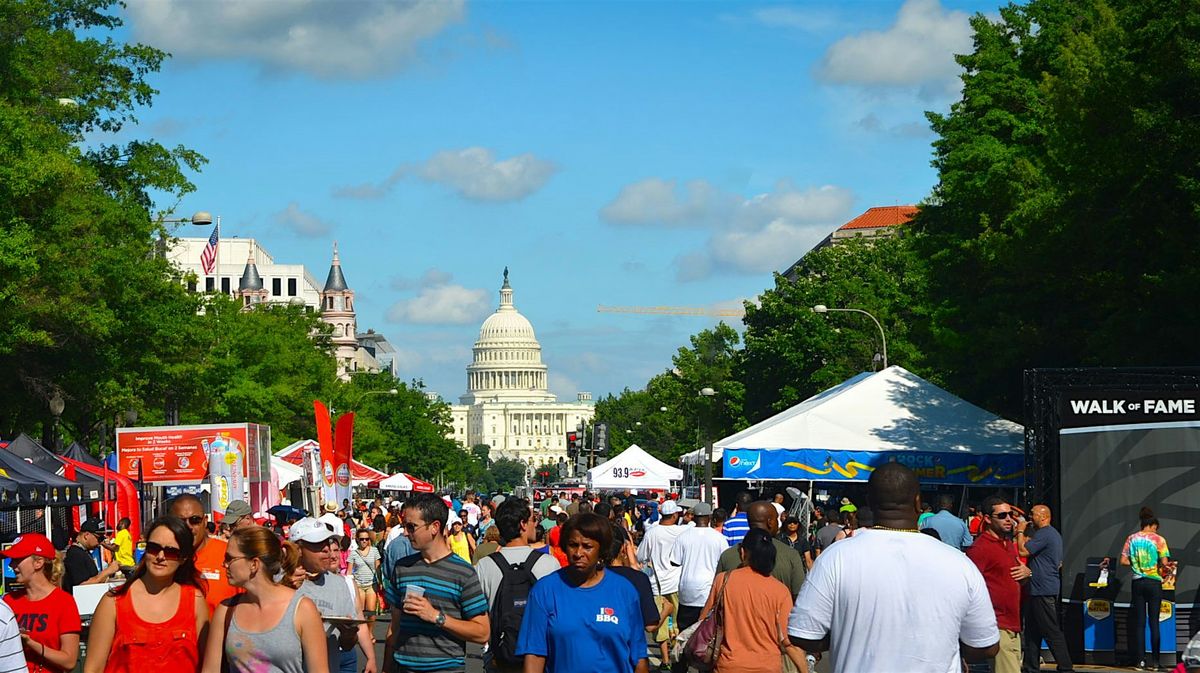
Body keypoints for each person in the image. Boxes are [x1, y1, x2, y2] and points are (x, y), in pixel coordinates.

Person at [788, 463, 999, 673]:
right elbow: (986, 646)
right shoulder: (959, 563)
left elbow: (802, 634)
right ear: (918, 502)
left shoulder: (835, 557)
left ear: (869, 502)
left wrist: (844, 635)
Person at [515, 513, 649, 673]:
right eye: (573, 545)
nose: (578, 553)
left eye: (587, 546)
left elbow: (639, 657)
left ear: (601, 549)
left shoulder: (624, 591)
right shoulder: (545, 590)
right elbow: (534, 655)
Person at [83, 516, 209, 673]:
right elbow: (93, 668)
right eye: (154, 548)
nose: (160, 557)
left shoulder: (195, 601)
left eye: (171, 551)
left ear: (183, 558)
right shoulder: (113, 602)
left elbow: (208, 665)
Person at [200, 526, 330, 673]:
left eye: (230, 558)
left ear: (254, 564)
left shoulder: (302, 609)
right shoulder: (225, 611)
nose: (224, 564)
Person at [383, 493, 489, 673]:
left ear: (434, 527)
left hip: (445, 669)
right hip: (402, 667)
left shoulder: (463, 573)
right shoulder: (403, 568)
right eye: (404, 526)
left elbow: (482, 632)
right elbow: (394, 626)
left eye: (411, 527)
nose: (405, 532)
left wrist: (436, 617)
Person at [700, 529, 808, 673]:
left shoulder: (723, 581)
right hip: (768, 666)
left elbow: (704, 619)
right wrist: (804, 669)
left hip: (729, 665)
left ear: (743, 553)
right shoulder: (780, 591)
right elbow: (787, 641)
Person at [474, 497, 560, 673]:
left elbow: (476, 619)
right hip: (541, 659)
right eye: (532, 520)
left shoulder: (484, 566)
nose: (535, 524)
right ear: (522, 524)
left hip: (500, 659)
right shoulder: (549, 564)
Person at [288, 517, 376, 673]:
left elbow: (347, 644)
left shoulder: (339, 585)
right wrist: (284, 587)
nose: (326, 550)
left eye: (327, 543)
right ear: (297, 549)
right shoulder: (277, 581)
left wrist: (349, 636)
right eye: (317, 544)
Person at [967, 496, 1031, 673]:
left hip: (1013, 625)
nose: (1009, 519)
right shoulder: (980, 548)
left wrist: (1027, 573)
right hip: (997, 625)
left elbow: (1016, 577)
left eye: (1010, 514)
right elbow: (967, 587)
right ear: (987, 519)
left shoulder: (1007, 543)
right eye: (1002, 515)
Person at [2, 533, 81, 673]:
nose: (12, 565)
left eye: (17, 559)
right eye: (12, 560)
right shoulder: (7, 601)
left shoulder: (64, 602)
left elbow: (69, 661)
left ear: (38, 562)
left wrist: (30, 643)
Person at [667, 502, 726, 673]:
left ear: (693, 516)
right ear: (709, 518)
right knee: (708, 635)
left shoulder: (684, 536)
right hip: (709, 591)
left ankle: (680, 667)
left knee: (685, 633)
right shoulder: (719, 538)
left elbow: (674, 561)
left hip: (687, 590)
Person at [1016, 504, 1073, 673]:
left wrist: (1020, 531)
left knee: (1050, 629)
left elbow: (1023, 551)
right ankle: (1030, 666)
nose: (1029, 517)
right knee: (1033, 631)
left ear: (1043, 516)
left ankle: (1066, 666)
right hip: (1039, 588)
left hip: (1043, 589)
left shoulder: (1046, 533)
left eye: (1032, 514)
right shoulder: (1049, 535)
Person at [717, 502, 805, 600]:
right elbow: (799, 596)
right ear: (770, 522)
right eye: (776, 519)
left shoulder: (727, 556)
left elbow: (717, 595)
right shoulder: (790, 555)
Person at [636, 500, 688, 666]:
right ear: (674, 515)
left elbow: (641, 556)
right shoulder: (683, 532)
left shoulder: (652, 532)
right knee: (679, 621)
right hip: (678, 581)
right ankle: (679, 657)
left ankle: (665, 660)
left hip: (657, 583)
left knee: (661, 622)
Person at [1120, 506, 1172, 671]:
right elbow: (1164, 563)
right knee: (1154, 622)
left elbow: (1123, 561)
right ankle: (1156, 663)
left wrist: (1136, 564)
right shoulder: (1159, 539)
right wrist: (1164, 567)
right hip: (1154, 582)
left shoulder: (1131, 538)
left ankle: (1140, 662)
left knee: (1140, 623)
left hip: (1137, 582)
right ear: (1153, 525)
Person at [170, 494, 238, 616]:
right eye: (180, 522)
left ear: (205, 521)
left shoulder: (229, 555)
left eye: (195, 520)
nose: (188, 526)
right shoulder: (163, 557)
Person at [606, 525, 660, 634]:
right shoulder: (638, 579)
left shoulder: (590, 577)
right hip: (628, 646)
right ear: (623, 548)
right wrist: (667, 609)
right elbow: (650, 626)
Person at [62, 519, 121, 594]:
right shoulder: (75, 555)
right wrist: (108, 571)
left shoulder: (83, 552)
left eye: (103, 538)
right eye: (99, 538)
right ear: (86, 535)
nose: (100, 542)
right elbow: (82, 586)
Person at [348, 528, 381, 632]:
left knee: (371, 612)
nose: (364, 541)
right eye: (362, 539)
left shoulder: (374, 551)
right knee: (361, 612)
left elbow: (378, 567)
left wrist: (381, 582)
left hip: (372, 584)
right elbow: (349, 572)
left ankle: (370, 632)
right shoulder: (353, 553)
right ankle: (361, 633)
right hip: (359, 584)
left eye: (366, 539)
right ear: (357, 540)